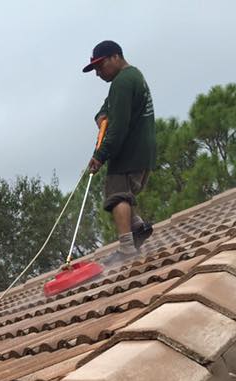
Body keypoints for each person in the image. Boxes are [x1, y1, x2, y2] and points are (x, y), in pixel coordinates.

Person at [83, 40, 156, 259]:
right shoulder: (132, 77)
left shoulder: (122, 83)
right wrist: (101, 115)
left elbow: (118, 127)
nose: (98, 73)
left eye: (100, 66)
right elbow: (108, 108)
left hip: (129, 153)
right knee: (124, 194)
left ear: (116, 57)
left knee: (117, 195)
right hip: (143, 152)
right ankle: (138, 228)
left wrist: (100, 155)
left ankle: (126, 248)